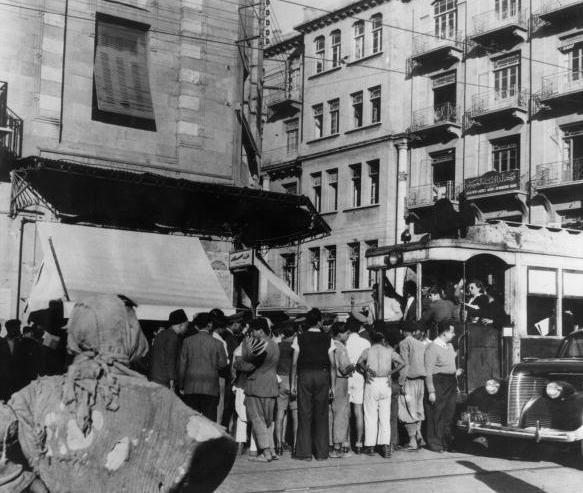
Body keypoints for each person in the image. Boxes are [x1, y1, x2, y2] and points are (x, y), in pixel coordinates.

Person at [3, 295, 236, 492]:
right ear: (129, 333)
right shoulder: (159, 400)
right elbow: (217, 451)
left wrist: (35, 484)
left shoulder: (37, 394)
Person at [291, 308, 336, 461]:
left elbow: (294, 363)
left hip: (304, 375)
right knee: (321, 414)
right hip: (322, 376)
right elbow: (333, 365)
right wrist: (333, 386)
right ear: (319, 321)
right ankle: (322, 453)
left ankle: (304, 453)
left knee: (304, 413)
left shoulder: (299, 338)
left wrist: (293, 384)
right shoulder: (328, 338)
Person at [357, 331, 405, 458]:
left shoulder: (368, 350)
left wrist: (366, 370)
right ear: (383, 340)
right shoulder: (389, 351)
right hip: (385, 382)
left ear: (373, 340)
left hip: (372, 382)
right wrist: (391, 372)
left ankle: (370, 447)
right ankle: (386, 447)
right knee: (385, 416)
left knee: (370, 415)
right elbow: (402, 363)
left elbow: (359, 362)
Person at [242, 318, 280, 462]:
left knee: (258, 420)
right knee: (269, 421)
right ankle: (272, 449)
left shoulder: (259, 344)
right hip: (271, 385)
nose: (252, 333)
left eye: (253, 330)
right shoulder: (274, 344)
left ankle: (266, 453)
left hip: (256, 385)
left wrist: (237, 363)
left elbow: (249, 365)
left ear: (260, 330)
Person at [179, 312, 228, 420]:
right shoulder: (217, 343)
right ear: (210, 325)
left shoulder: (187, 341)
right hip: (210, 387)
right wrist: (212, 365)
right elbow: (223, 363)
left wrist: (181, 384)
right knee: (209, 421)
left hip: (191, 386)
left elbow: (182, 365)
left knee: (191, 420)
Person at [424, 320, 462, 453]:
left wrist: (455, 381)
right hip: (438, 382)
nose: (454, 334)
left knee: (449, 413)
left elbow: (451, 364)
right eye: (452, 332)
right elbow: (428, 371)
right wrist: (431, 391)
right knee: (437, 414)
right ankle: (435, 444)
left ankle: (446, 443)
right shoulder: (432, 348)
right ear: (445, 333)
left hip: (451, 381)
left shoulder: (449, 346)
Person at [398, 324, 427, 450]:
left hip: (409, 380)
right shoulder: (421, 344)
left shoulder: (404, 343)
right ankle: (419, 435)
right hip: (421, 381)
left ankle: (412, 441)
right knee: (418, 408)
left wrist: (401, 381)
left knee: (407, 409)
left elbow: (404, 364)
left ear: (401, 331)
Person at [344, 316, 371, 454]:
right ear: (359, 328)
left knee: (347, 410)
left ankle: (346, 441)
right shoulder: (365, 342)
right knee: (359, 411)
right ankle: (359, 443)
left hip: (347, 376)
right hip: (360, 376)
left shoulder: (344, 342)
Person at [329, 322, 354, 459]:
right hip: (340, 382)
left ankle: (330, 444)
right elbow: (344, 369)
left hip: (330, 382)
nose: (348, 335)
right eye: (347, 333)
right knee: (340, 414)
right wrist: (352, 366)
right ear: (340, 334)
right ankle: (337, 447)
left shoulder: (330, 344)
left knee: (331, 413)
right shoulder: (341, 348)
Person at [149, 309, 189, 389]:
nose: (187, 329)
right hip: (165, 381)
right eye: (186, 326)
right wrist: (172, 381)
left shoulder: (160, 335)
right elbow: (170, 360)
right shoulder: (173, 337)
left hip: (154, 377)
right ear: (181, 325)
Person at [275, 320, 297, 456]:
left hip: (280, 380)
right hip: (294, 380)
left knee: (280, 413)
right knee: (295, 414)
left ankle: (278, 445)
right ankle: (295, 446)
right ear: (295, 333)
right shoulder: (297, 346)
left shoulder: (277, 345)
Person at [220, 312, 245, 431]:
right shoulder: (230, 338)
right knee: (229, 406)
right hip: (230, 377)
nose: (240, 326)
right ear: (234, 324)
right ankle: (225, 430)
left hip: (226, 377)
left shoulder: (226, 336)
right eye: (239, 323)